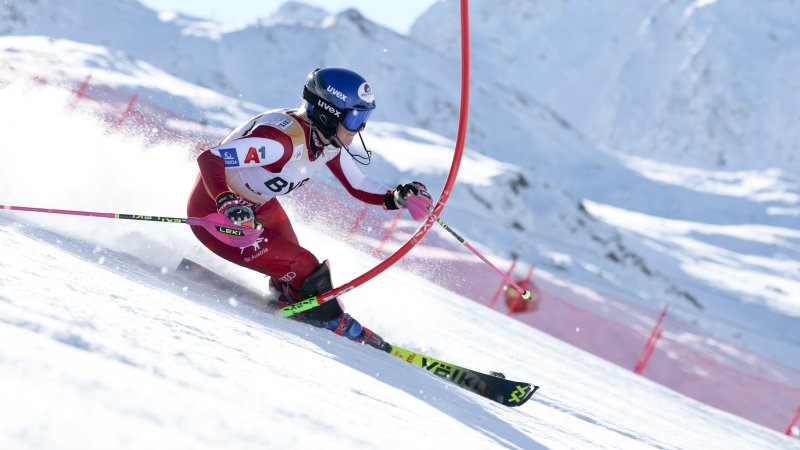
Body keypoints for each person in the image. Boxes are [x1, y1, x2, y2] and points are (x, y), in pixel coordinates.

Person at [187, 67, 431, 352]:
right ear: (328, 113)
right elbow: (211, 159)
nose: (361, 128)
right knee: (302, 265)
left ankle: (290, 298)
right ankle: (332, 321)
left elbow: (359, 183)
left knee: (298, 273)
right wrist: (227, 202)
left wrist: (396, 197)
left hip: (258, 209)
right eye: (355, 118)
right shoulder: (281, 143)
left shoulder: (325, 141)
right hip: (216, 216)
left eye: (364, 118)